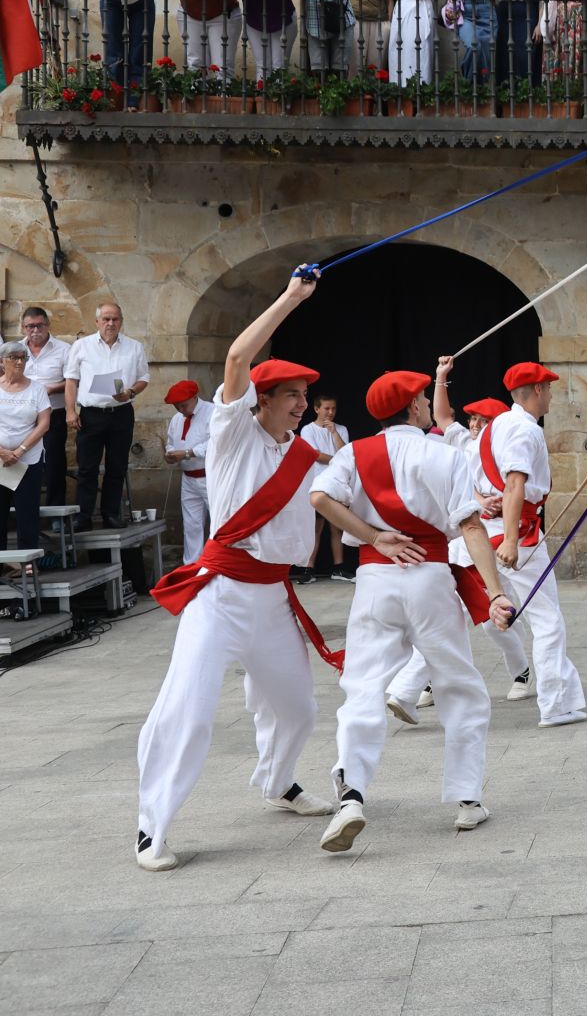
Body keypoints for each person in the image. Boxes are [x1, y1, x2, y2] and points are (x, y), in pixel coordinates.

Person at [135, 275, 338, 872]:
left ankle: (278, 782)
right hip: (219, 595)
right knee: (189, 710)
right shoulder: (231, 433)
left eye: (306, 395)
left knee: (298, 707)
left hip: (272, 596)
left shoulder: (300, 455)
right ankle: (152, 828)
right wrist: (291, 299)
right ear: (261, 400)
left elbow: (337, 492)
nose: (303, 404)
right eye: (293, 395)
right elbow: (236, 356)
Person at [309, 370, 517, 854]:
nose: (427, 404)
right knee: (459, 685)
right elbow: (469, 527)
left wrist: (373, 535)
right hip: (430, 578)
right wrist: (494, 592)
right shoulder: (444, 455)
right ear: (415, 407)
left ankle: (353, 795)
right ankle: (467, 800)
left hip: (376, 580)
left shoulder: (352, 453)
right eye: (424, 398)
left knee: (362, 686)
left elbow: (320, 497)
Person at [386, 380, 532, 719]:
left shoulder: (506, 449)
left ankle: (414, 684)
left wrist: (503, 525)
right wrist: (441, 376)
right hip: (459, 543)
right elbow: (441, 414)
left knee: (472, 616)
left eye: (483, 420)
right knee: (479, 617)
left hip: (490, 543)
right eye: (473, 419)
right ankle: (431, 681)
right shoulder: (462, 444)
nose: (475, 425)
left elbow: (514, 490)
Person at [476, 360, 587, 726]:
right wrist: (510, 538)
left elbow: (472, 478)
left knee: (462, 611)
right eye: (550, 388)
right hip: (517, 535)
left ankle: (406, 686)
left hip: (493, 529)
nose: (553, 395)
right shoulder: (524, 430)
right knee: (548, 620)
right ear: (537, 390)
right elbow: (514, 484)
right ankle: (554, 705)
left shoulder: (494, 427)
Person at [64, 300, 149, 531]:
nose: (110, 323)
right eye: (106, 319)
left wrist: (130, 392)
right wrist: (71, 411)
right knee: (87, 467)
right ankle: (83, 517)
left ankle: (111, 514)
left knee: (117, 466)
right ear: (97, 321)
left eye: (115, 319)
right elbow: (71, 380)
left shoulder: (134, 347)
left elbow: (144, 378)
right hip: (91, 414)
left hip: (121, 413)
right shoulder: (82, 346)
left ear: (121, 321)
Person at [0, 342, 51, 562]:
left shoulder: (37, 388)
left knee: (27, 513)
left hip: (27, 460)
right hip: (0, 461)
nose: (20, 362)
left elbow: (44, 423)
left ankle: (28, 565)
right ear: (2, 361)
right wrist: (2, 452)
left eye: (23, 357)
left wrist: (19, 450)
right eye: (14, 357)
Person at [17, 307, 70, 507]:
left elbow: (73, 381)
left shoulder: (64, 349)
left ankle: (56, 510)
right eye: (30, 326)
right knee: (19, 461)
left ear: (48, 325)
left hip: (53, 414)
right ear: (23, 328)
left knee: (55, 462)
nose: (35, 330)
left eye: (39, 325)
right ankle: (20, 509)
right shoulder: (15, 350)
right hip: (22, 416)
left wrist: (51, 389)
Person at [300, 393, 352, 582]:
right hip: (317, 484)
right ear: (316, 409)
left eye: (333, 408)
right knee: (316, 528)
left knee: (337, 527)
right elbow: (314, 454)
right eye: (326, 408)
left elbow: (345, 452)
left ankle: (338, 568)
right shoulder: (308, 430)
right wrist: (338, 461)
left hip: (337, 484)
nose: (330, 412)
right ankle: (308, 569)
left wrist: (334, 433)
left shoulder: (341, 429)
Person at [162, 380, 212, 566]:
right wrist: (170, 454)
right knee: (191, 525)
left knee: (218, 522)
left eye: (184, 405)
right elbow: (171, 441)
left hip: (210, 476)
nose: (181, 409)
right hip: (189, 478)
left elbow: (216, 443)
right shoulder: (177, 419)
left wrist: (188, 452)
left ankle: (217, 564)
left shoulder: (212, 413)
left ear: (194, 398)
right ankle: (192, 565)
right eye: (177, 406)